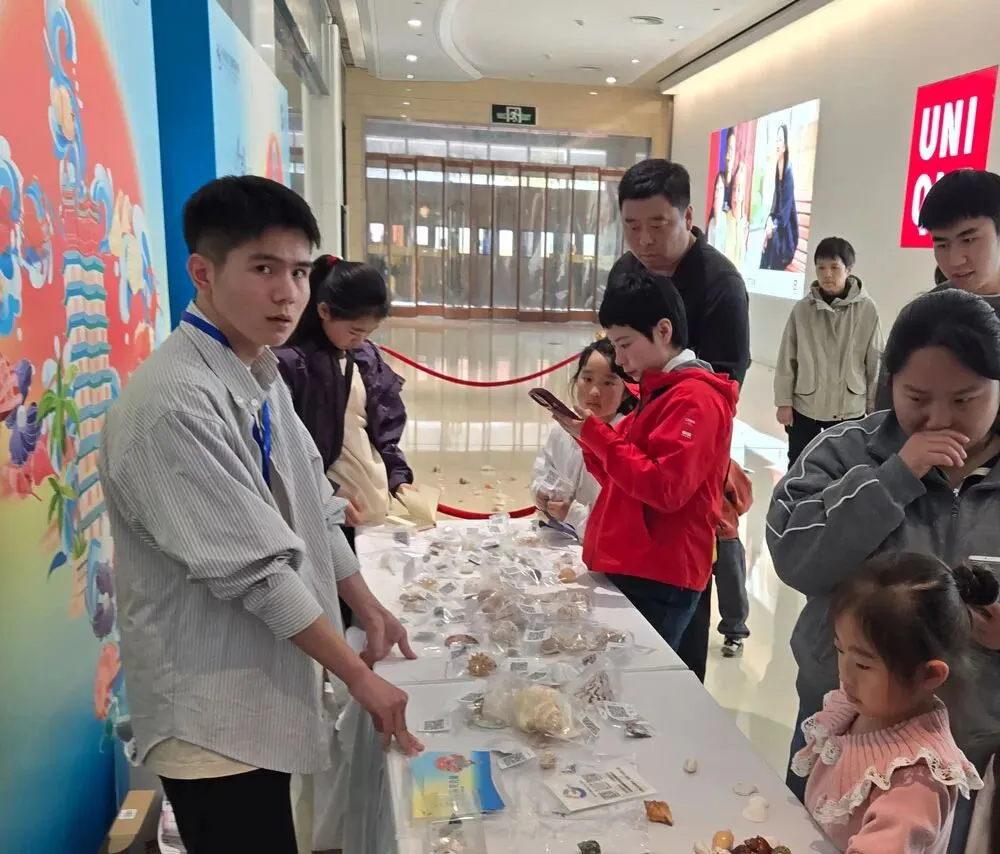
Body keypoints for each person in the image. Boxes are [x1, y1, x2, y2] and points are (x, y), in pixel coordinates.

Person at [98, 176, 422, 853]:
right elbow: (258, 572)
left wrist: (367, 605)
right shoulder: (173, 404)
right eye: (264, 269)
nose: (287, 293)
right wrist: (357, 674)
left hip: (263, 688)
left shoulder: (257, 372)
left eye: (299, 272)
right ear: (203, 273)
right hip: (213, 717)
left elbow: (315, 506)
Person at [766, 287, 1000, 807]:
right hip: (843, 726)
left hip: (971, 747)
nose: (940, 419)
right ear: (889, 382)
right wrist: (894, 478)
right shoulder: (845, 452)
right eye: (917, 398)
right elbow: (794, 556)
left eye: (965, 400)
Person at [607, 158, 750, 680]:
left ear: (688, 217)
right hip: (638, 434)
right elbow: (618, 351)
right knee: (627, 582)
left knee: (681, 578)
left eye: (658, 225)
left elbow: (725, 384)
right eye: (631, 226)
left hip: (688, 446)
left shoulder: (720, 284)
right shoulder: (626, 271)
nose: (644, 241)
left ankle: (681, 689)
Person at [549, 268, 738, 649]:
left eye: (624, 345)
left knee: (633, 673)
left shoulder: (695, 399)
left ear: (663, 331)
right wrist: (586, 439)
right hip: (634, 563)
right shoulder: (659, 390)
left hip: (659, 574)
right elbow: (623, 477)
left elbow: (665, 488)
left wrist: (597, 436)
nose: (619, 360)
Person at [791, 552, 991, 853]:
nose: (844, 675)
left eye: (863, 665)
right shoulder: (855, 710)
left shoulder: (916, 780)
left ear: (929, 675)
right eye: (840, 650)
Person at [275, 255, 413, 546]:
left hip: (371, 515)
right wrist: (327, 491)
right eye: (354, 331)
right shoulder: (292, 364)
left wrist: (398, 478)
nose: (360, 340)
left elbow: (384, 428)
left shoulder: (365, 357)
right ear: (324, 310)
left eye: (369, 332)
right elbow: (284, 448)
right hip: (327, 516)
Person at [874, 170, 1000, 411]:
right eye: (942, 244)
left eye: (968, 240)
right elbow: (887, 415)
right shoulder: (922, 316)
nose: (954, 260)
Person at [774, 236, 882, 466]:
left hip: (848, 407)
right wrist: (784, 402)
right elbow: (787, 358)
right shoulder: (802, 309)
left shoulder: (867, 309)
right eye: (821, 268)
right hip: (807, 405)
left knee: (843, 468)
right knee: (799, 464)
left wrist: (874, 406)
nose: (827, 274)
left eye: (834, 267)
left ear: (849, 269)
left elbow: (875, 360)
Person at [530, 338, 636, 538]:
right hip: (554, 534)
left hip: (598, 544)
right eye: (587, 379)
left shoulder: (627, 438)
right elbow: (542, 471)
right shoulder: (561, 428)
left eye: (608, 382)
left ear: (626, 391)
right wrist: (540, 493)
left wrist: (572, 514)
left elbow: (622, 520)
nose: (594, 392)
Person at [715, 461, 753, 656]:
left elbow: (744, 498)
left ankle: (735, 631)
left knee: (732, 585)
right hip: (696, 534)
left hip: (724, 534)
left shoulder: (726, 464)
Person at [761, 124, 799, 272]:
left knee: (772, 240)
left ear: (785, 146)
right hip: (778, 232)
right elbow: (773, 208)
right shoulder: (777, 173)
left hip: (787, 238)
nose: (777, 144)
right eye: (776, 140)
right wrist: (769, 222)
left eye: (780, 140)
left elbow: (784, 217)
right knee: (767, 240)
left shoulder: (788, 174)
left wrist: (773, 226)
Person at [725, 162, 749, 269]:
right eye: (734, 189)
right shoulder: (724, 220)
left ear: (743, 194)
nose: (736, 195)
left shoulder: (745, 225)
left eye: (739, 189)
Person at [706, 171, 728, 253]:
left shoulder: (726, 220)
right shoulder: (711, 222)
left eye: (721, 188)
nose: (718, 192)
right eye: (716, 188)